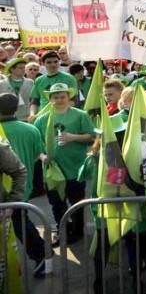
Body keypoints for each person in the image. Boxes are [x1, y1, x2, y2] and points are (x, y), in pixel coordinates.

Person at [34, 83, 95, 245]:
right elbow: (36, 146)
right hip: (52, 171)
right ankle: (62, 231)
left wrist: (74, 137)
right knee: (56, 204)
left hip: (76, 169)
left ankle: (77, 232)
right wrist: (42, 157)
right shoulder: (42, 119)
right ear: (50, 99)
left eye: (63, 96)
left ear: (69, 97)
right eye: (56, 97)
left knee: (76, 203)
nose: (59, 100)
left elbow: (92, 136)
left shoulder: (80, 115)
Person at [0, 93, 47, 276]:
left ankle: (41, 254)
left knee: (20, 226)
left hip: (9, 193)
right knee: (20, 224)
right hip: (23, 189)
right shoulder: (30, 129)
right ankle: (41, 256)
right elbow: (37, 155)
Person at [28, 51, 79, 118]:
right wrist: (32, 114)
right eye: (49, 62)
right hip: (43, 117)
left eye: (56, 62)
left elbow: (74, 100)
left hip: (64, 117)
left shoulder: (69, 78)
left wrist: (58, 108)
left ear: (59, 62)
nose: (53, 64)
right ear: (43, 64)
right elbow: (35, 101)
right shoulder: (39, 80)